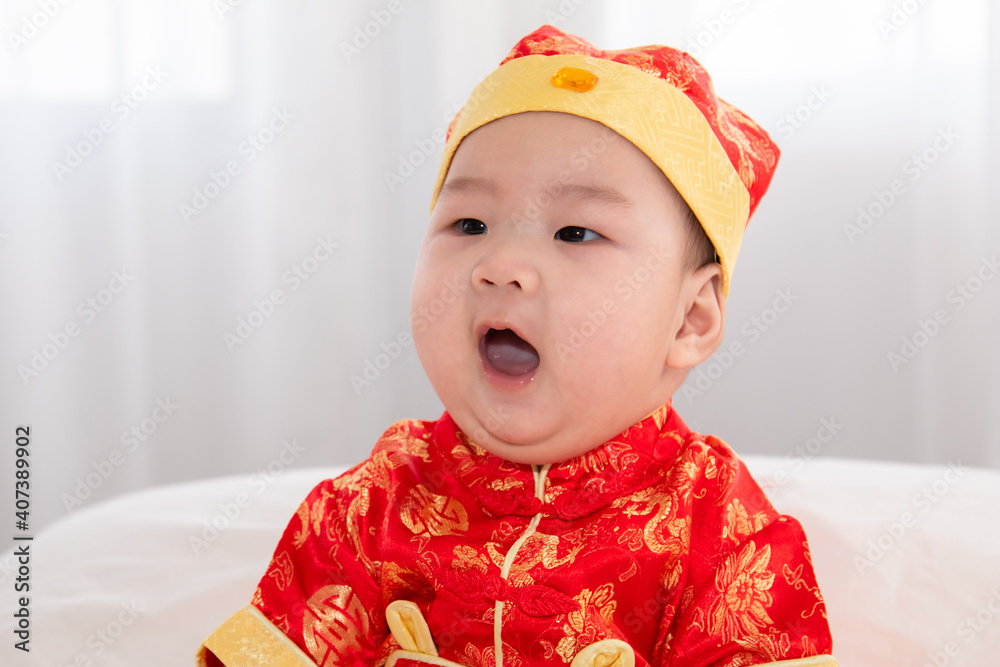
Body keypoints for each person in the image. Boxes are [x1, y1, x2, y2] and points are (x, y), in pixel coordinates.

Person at [197, 25, 837, 667]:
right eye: (469, 223)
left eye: (577, 233)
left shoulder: (720, 532)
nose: (501, 263)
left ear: (688, 320)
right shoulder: (369, 510)